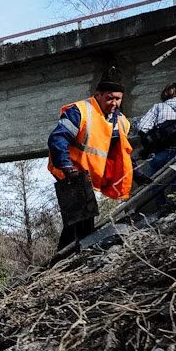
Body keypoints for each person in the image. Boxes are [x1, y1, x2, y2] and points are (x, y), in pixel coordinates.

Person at [47, 67, 134, 250]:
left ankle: (71, 256)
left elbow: (119, 153)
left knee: (83, 221)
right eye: (109, 98)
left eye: (117, 99)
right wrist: (66, 166)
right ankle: (66, 258)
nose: (114, 103)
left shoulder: (120, 122)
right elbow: (58, 138)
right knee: (79, 220)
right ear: (98, 95)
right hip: (72, 173)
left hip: (90, 177)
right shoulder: (80, 111)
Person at [136, 83, 176, 203]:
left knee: (155, 184)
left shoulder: (158, 107)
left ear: (166, 95)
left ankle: (160, 211)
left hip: (160, 153)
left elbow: (142, 127)